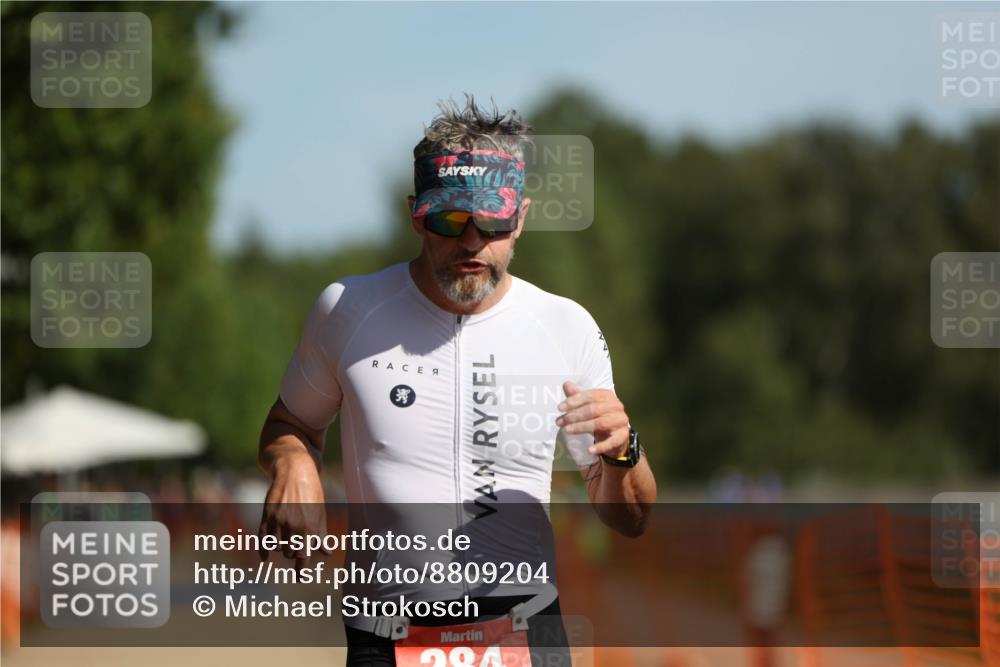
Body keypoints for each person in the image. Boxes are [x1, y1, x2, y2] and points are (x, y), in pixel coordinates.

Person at [257, 96, 657, 666]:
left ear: (520, 217)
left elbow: (631, 519)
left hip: (526, 634)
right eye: (449, 220)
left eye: (491, 219)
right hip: (387, 640)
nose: (471, 242)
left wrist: (625, 452)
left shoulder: (567, 327)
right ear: (414, 212)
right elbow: (288, 423)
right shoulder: (348, 309)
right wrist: (294, 462)